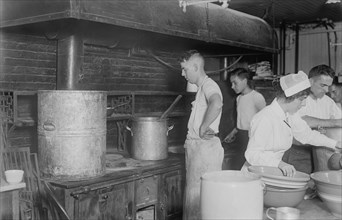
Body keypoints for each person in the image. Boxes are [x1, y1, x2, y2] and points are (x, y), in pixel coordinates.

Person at [244, 71, 341, 177]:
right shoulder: (265, 118)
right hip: (255, 174)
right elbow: (252, 154)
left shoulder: (290, 115)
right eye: (301, 99)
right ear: (289, 97)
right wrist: (279, 164)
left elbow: (307, 135)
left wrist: (335, 143)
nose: (304, 104)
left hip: (271, 171)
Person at [179, 50, 224, 220]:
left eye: (184, 69)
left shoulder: (209, 85)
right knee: (195, 201)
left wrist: (204, 126)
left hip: (204, 152)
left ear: (196, 67)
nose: (183, 74)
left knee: (200, 202)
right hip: (199, 151)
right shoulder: (201, 87)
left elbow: (217, 103)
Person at [283, 65, 342, 173]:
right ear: (310, 81)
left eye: (328, 86)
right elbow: (302, 121)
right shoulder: (298, 99)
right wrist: (333, 123)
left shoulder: (328, 102)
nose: (326, 90)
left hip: (320, 150)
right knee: (299, 183)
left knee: (317, 184)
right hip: (299, 152)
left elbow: (338, 124)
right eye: (323, 85)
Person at [223, 68, 266, 169]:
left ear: (245, 81)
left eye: (235, 83)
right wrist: (232, 133)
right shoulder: (239, 98)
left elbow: (265, 120)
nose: (232, 87)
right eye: (231, 84)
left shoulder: (256, 97)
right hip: (241, 137)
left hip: (252, 138)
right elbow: (241, 120)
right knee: (238, 165)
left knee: (248, 166)